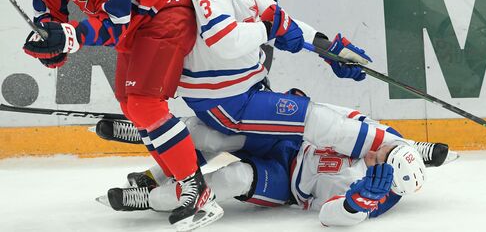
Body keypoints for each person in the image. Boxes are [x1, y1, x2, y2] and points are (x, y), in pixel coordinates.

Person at [179, 0, 445, 168]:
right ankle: (400, 150)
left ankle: (155, 182)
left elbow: (277, 17)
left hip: (243, 90)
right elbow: (223, 40)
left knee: (319, 116)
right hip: (225, 100)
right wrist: (268, 30)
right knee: (317, 120)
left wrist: (327, 48)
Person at [22, 0, 221, 230]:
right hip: (137, 26)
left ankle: (196, 189)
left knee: (145, 103)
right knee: (130, 104)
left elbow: (115, 24)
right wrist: (49, 44)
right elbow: (48, 17)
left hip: (165, 12)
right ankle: (175, 177)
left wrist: (71, 39)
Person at [99, 113, 430, 227]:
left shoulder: (376, 196)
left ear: (387, 177)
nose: (380, 147)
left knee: (232, 179)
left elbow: (329, 217)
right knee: (214, 134)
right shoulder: (388, 143)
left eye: (384, 154)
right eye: (390, 145)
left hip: (286, 184)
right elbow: (342, 118)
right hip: (290, 141)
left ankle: (151, 198)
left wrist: (357, 202)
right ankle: (147, 133)